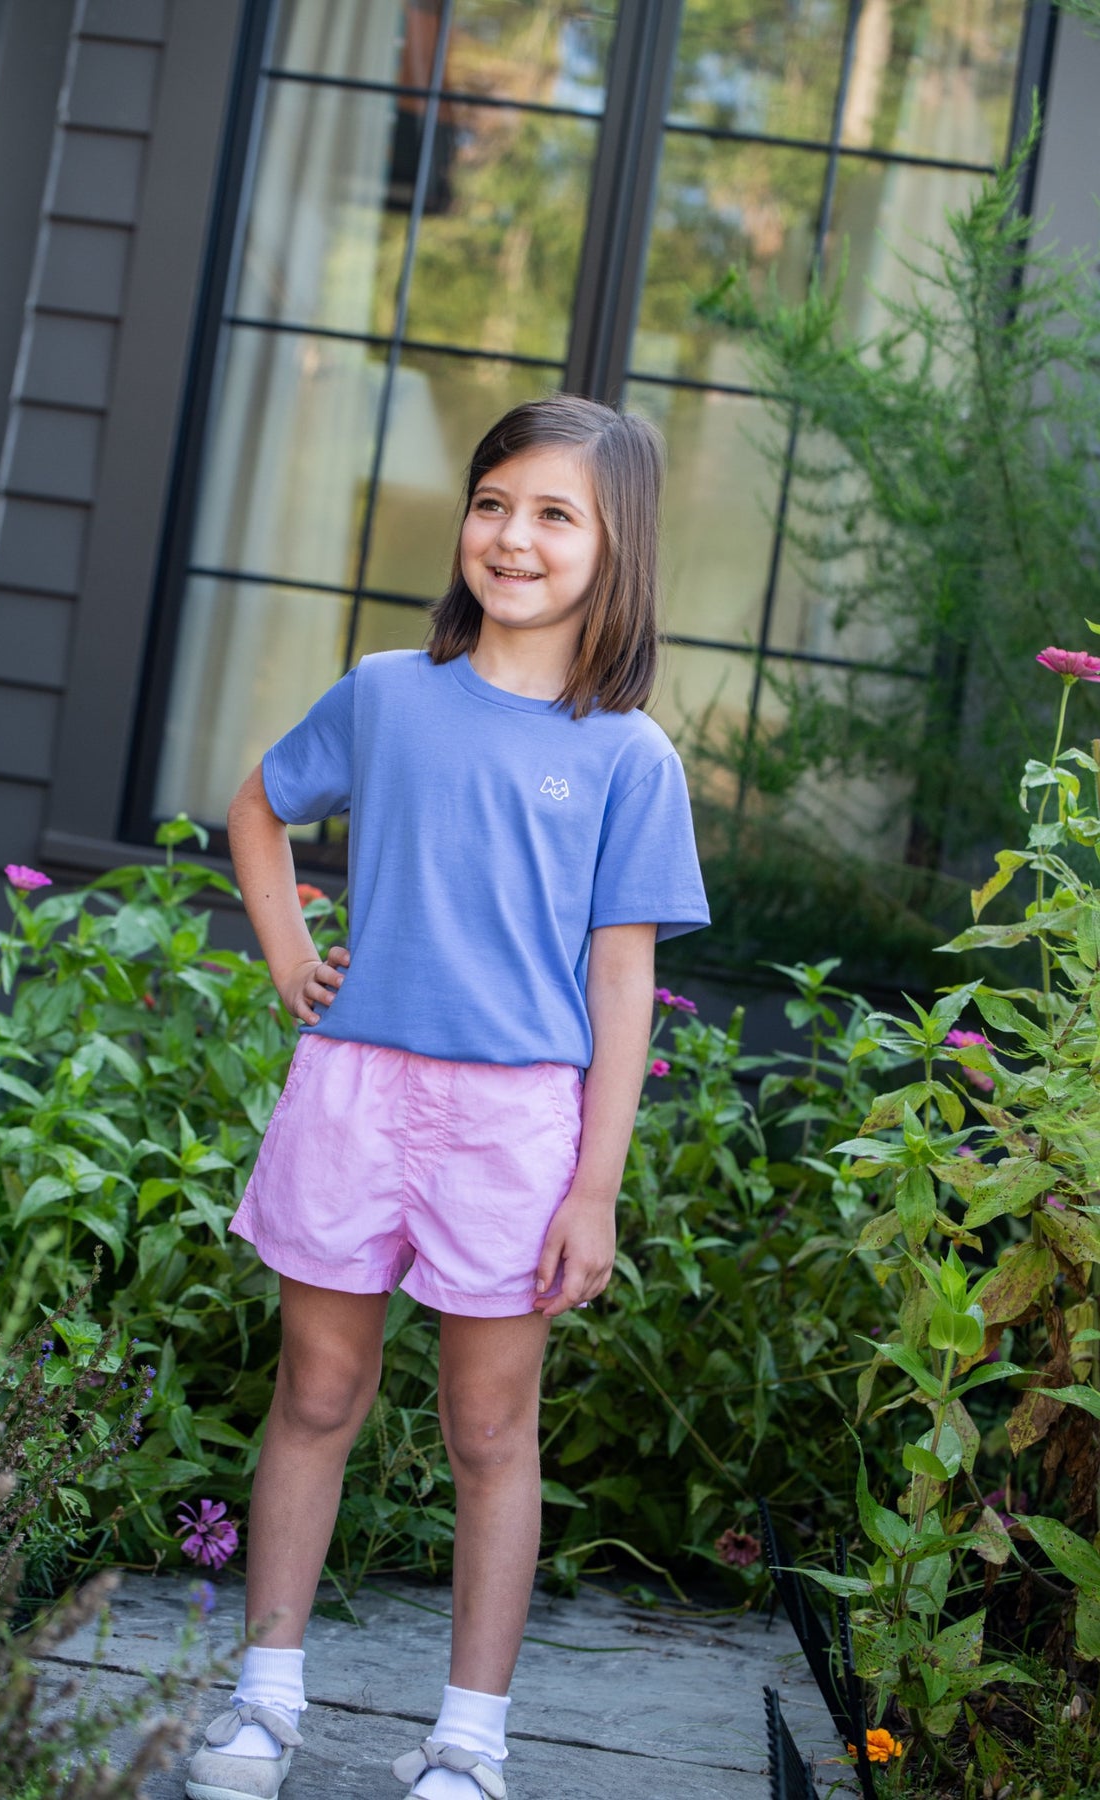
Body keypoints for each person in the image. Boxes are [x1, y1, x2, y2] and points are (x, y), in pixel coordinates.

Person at [184, 394, 710, 1800]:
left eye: (554, 514)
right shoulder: (385, 693)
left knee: (489, 1430)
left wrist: (594, 1189)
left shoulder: (629, 756)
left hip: (516, 1126)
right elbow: (258, 805)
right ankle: (263, 1701)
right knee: (316, 1393)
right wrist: (290, 955)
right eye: (493, 503)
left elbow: (621, 984)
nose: (513, 536)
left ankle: (470, 1742)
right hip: (353, 1092)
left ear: (615, 548)